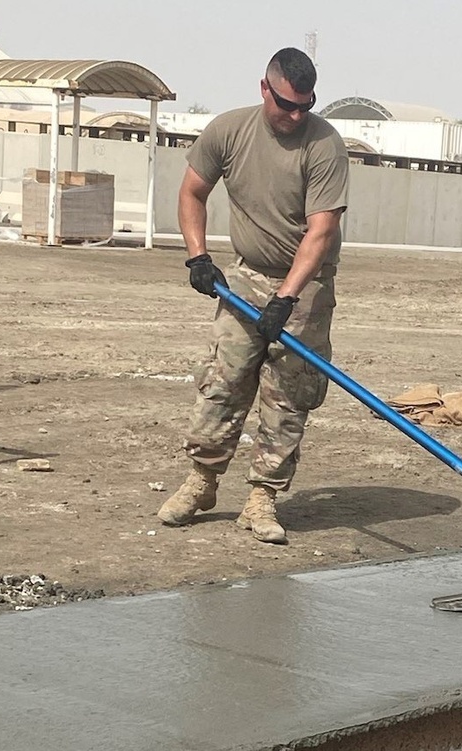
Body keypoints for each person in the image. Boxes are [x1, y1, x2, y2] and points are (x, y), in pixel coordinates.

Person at [157, 47, 349, 545]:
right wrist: (198, 256)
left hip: (305, 287)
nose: (295, 115)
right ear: (265, 89)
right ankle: (201, 482)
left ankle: (262, 498)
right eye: (286, 103)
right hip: (244, 279)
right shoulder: (229, 130)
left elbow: (321, 230)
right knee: (223, 380)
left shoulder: (325, 144)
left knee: (288, 396)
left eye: (305, 105)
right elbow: (191, 191)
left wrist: (285, 298)